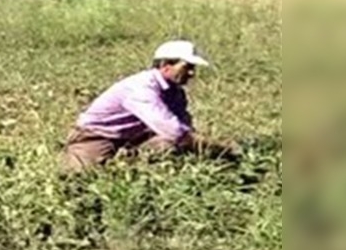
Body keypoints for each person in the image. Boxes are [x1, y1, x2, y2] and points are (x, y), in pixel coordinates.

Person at [60, 40, 240, 172]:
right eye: (187, 67)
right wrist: (220, 149)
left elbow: (184, 128)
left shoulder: (175, 92)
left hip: (134, 137)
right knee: (79, 179)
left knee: (172, 147)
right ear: (165, 65)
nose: (192, 73)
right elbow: (174, 131)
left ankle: (129, 165)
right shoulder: (142, 88)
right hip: (98, 136)